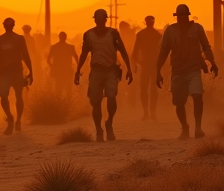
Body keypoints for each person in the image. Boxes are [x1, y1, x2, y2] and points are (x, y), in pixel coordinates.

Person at [156, 4, 218, 140]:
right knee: (179, 103)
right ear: (176, 17)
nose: (182, 19)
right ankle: (185, 127)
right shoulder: (170, 31)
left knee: (197, 96)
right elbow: (164, 51)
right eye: (180, 17)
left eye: (184, 16)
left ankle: (198, 128)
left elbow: (206, 47)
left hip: (193, 69)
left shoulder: (197, 29)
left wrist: (212, 62)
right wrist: (158, 70)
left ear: (188, 16)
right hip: (178, 71)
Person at [74, 9, 132, 142]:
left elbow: (123, 51)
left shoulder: (113, 34)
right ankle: (99, 130)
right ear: (95, 20)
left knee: (112, 97)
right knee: (96, 102)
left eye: (102, 19)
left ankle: (109, 122)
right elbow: (84, 54)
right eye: (97, 19)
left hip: (111, 70)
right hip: (96, 71)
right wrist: (78, 70)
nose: (100, 22)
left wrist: (128, 68)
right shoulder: (88, 35)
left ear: (105, 20)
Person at [0, 18, 33, 135]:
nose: (8, 26)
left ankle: (18, 120)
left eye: (10, 24)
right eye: (6, 25)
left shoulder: (19, 39)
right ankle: (10, 118)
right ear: (3, 26)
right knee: (3, 97)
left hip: (17, 72)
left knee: (19, 97)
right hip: (4, 73)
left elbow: (26, 56)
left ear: (13, 25)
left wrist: (31, 72)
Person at [132, 15, 163, 121]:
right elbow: (135, 51)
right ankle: (147, 111)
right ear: (147, 22)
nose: (151, 23)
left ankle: (151, 112)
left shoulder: (157, 35)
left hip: (152, 64)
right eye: (150, 22)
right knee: (145, 89)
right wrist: (136, 63)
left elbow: (162, 51)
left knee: (152, 89)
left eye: (151, 22)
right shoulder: (144, 35)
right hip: (146, 64)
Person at [47, 32, 78, 99]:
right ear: (66, 37)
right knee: (67, 90)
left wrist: (52, 67)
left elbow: (48, 59)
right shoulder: (70, 47)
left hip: (60, 71)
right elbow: (76, 57)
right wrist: (78, 67)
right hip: (66, 71)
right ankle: (65, 105)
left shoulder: (54, 47)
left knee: (59, 90)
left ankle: (59, 104)